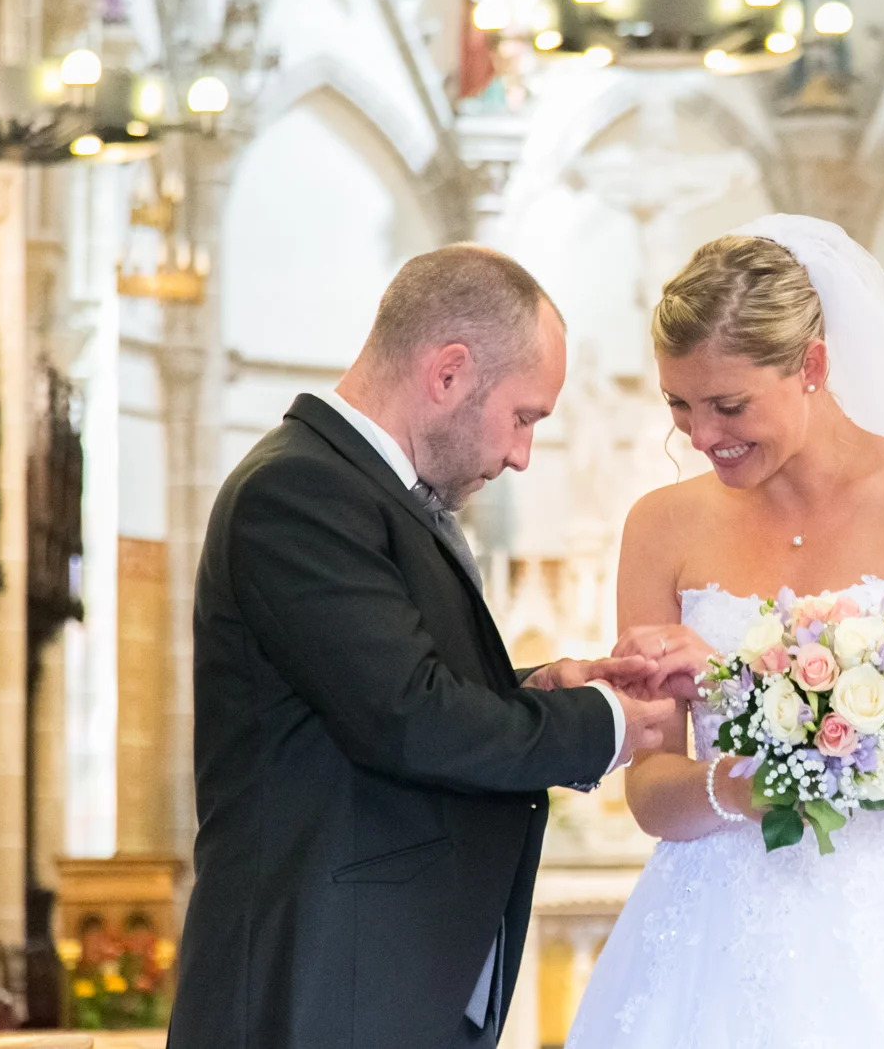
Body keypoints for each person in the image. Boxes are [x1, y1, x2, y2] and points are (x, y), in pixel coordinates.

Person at [563, 216, 884, 1047]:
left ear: (812, 367)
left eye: (729, 403)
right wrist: (743, 788)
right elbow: (651, 791)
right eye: (678, 403)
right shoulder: (659, 526)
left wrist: (738, 683)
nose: (702, 435)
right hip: (705, 933)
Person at [167, 245, 672, 1049]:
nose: (521, 454)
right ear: (448, 373)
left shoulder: (363, 493)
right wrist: (606, 722)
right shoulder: (297, 492)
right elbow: (407, 717)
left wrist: (541, 686)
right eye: (524, 416)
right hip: (320, 989)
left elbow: (391, 680)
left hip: (368, 984)